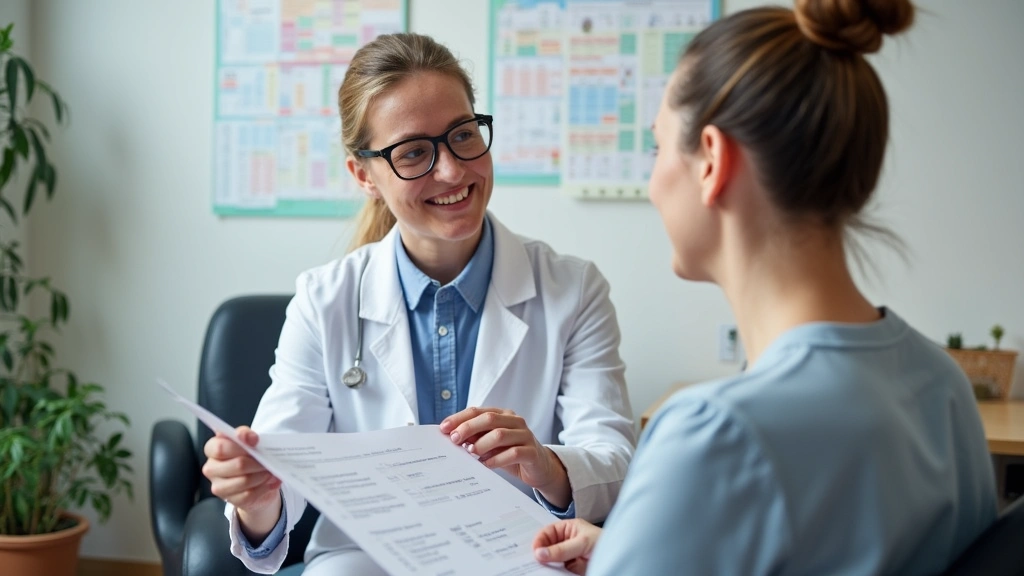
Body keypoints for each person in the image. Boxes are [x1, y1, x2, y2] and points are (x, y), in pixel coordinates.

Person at [532, 1, 998, 574]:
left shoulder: (716, 435)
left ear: (712, 161)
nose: (653, 183)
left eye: (658, 148)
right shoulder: (942, 385)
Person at [201, 33, 635, 575]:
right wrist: (256, 494)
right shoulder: (324, 300)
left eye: (462, 135)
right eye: (413, 153)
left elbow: (615, 460)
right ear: (364, 175)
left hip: (521, 552)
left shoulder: (573, 289)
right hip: (368, 559)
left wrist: (545, 465)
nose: (452, 171)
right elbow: (283, 471)